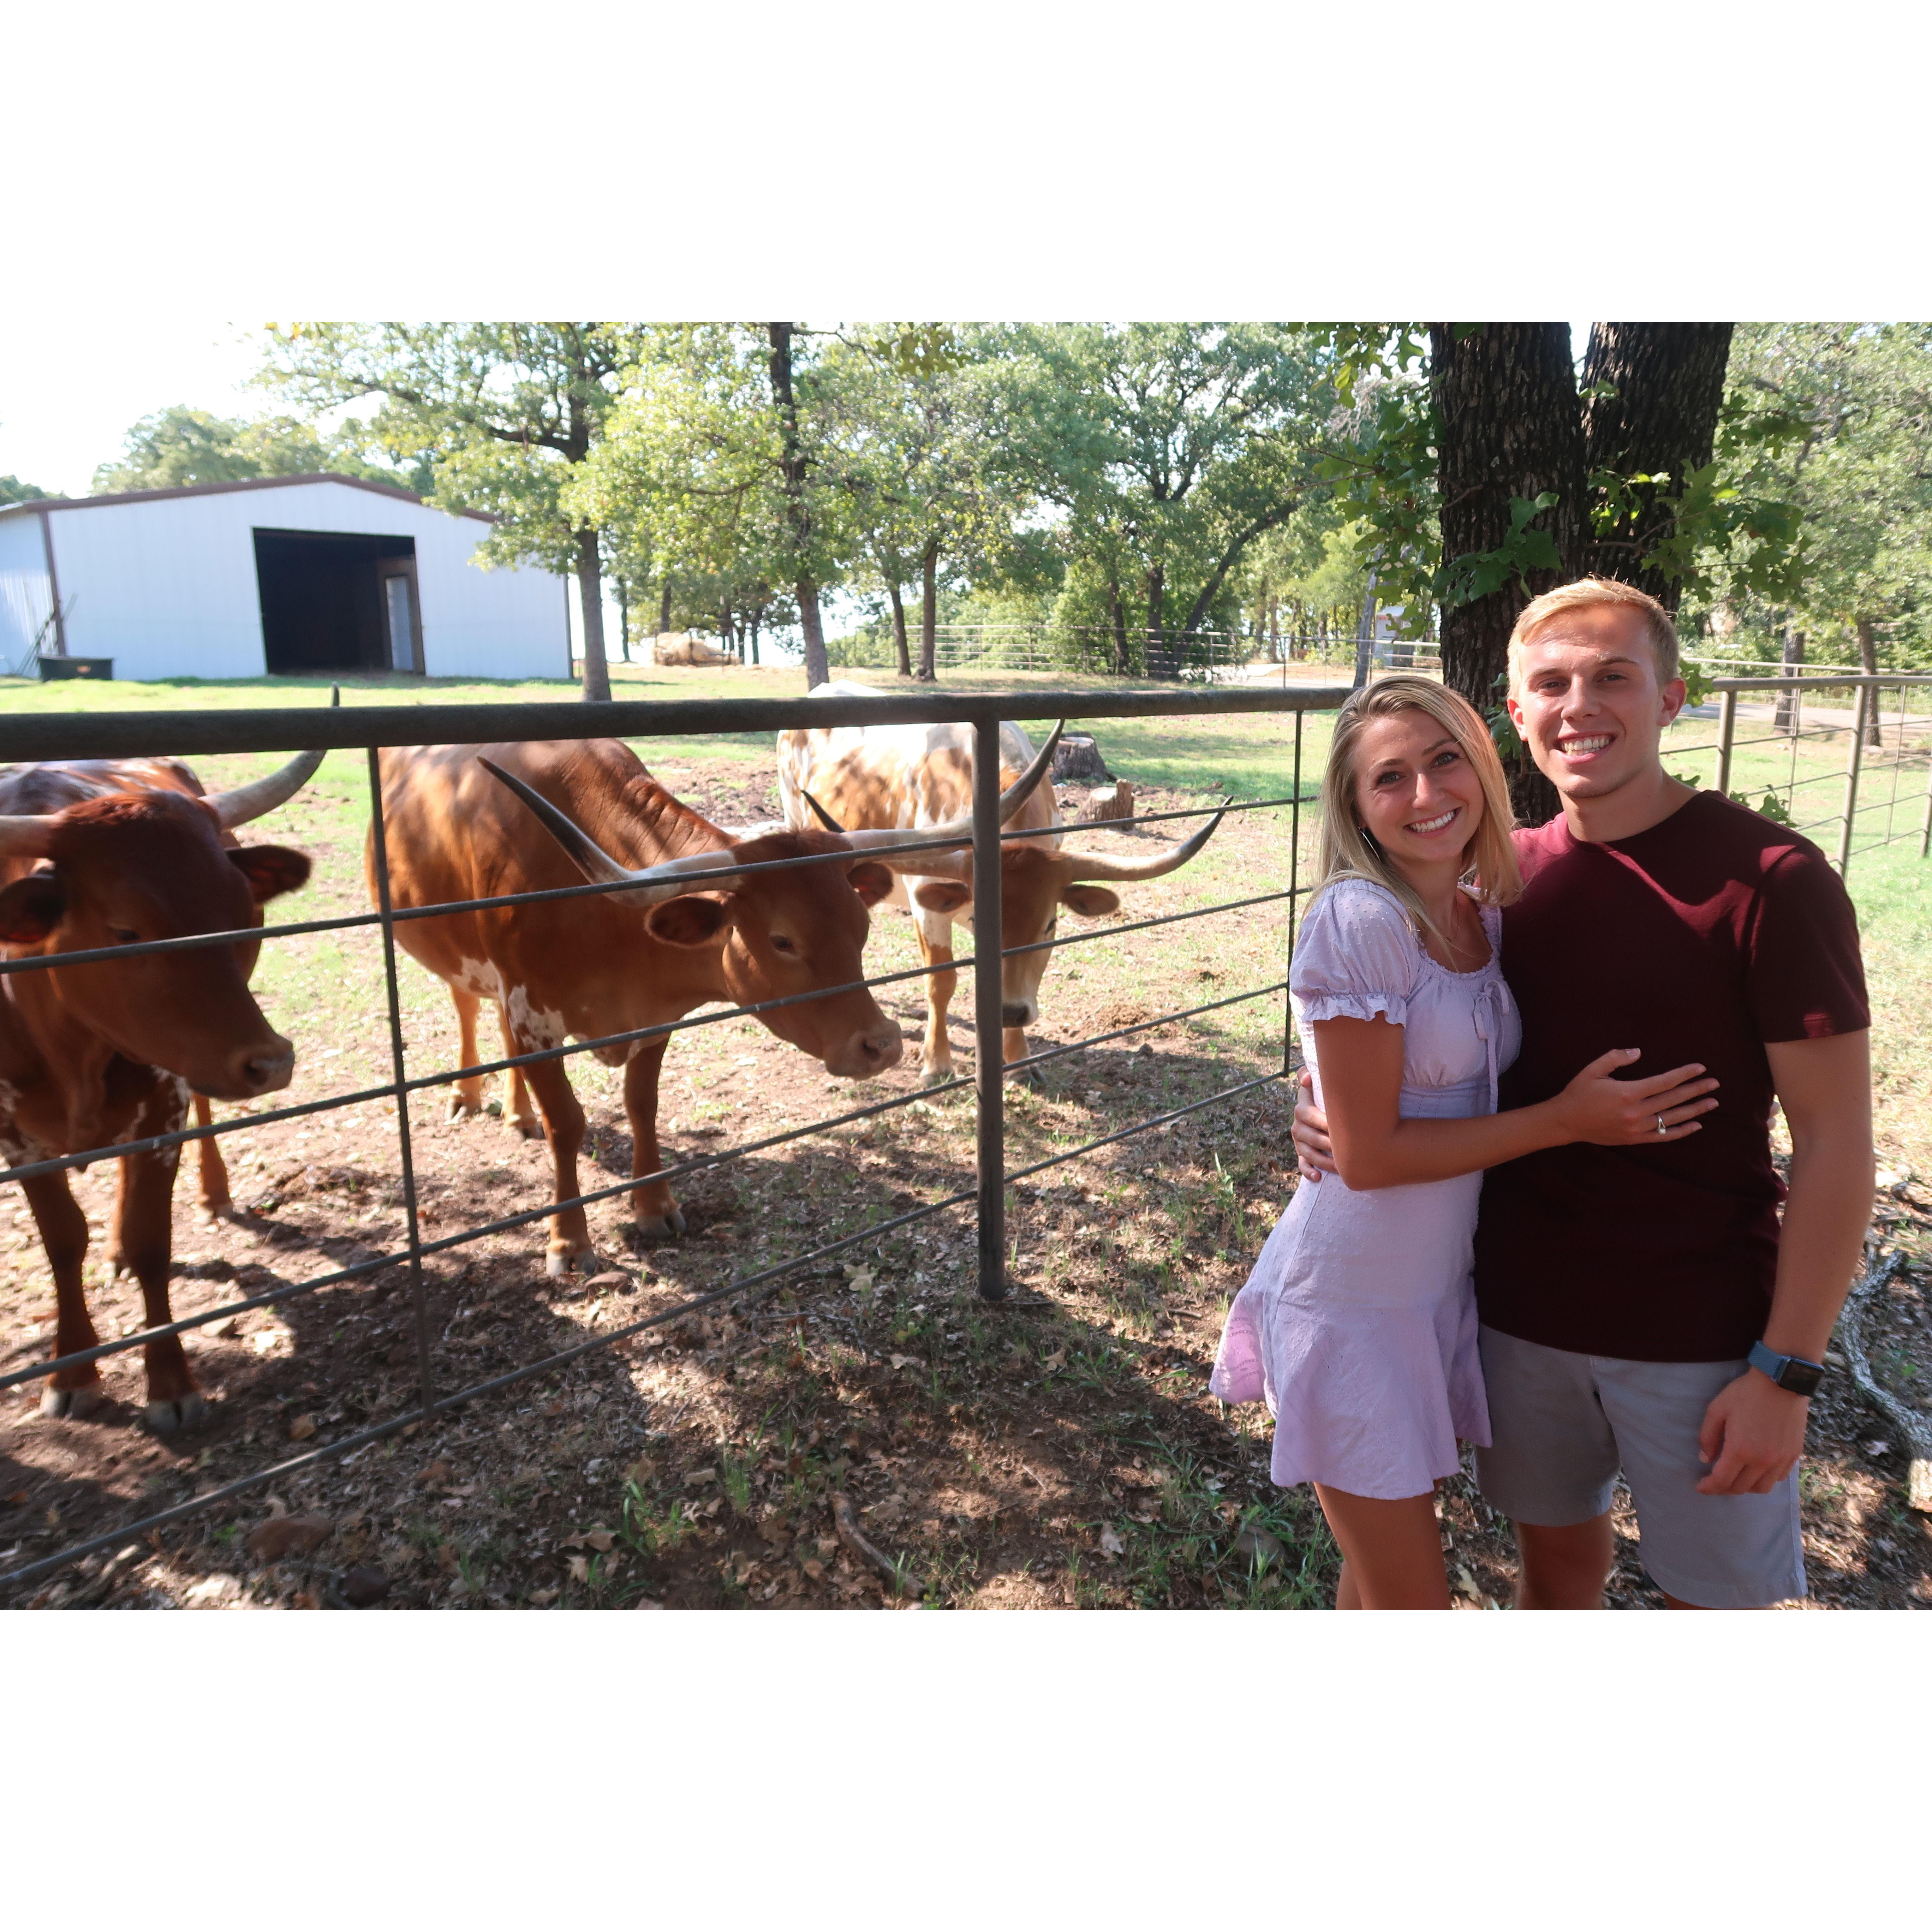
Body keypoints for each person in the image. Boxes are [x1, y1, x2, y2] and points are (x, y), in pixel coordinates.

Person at [1292, 579, 1874, 1610]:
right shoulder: (1502, 884)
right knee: (1557, 1581)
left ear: (1672, 696)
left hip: (1701, 1327)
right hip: (1518, 1317)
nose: (1580, 706)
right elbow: (1399, 1038)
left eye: (1614, 677)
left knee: (1714, 1605)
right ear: (1516, 716)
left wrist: (1787, 1371)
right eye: (1551, 683)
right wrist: (1320, 1112)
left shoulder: (1772, 879)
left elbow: (1835, 1146)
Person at [1210, 674, 1720, 1609]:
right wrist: (1568, 1121)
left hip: (1433, 1296)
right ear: (1358, 811)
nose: (1425, 794)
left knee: (1376, 1586)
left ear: (1483, 765)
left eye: (1444, 760)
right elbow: (1366, 1159)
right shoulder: (1361, 919)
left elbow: (1403, 1079)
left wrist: (1322, 1088)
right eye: (1388, 779)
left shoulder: (1481, 914)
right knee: (1413, 1605)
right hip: (1353, 1301)